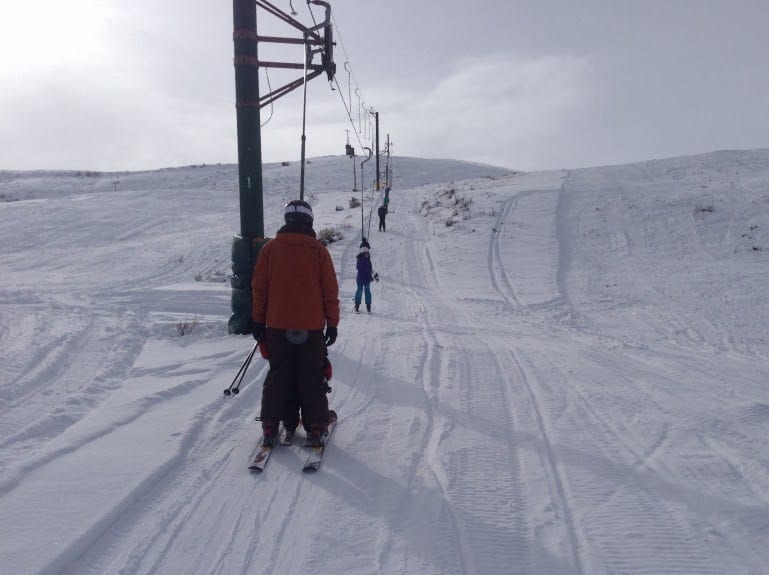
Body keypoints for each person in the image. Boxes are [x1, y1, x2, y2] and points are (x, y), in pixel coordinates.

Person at [251, 199, 340, 447]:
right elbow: (329, 291)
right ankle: (316, 426)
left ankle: (271, 423)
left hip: (276, 327)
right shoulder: (318, 251)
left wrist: (258, 321)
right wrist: (332, 323)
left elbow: (259, 289)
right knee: (311, 376)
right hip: (310, 328)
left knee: (279, 375)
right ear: (309, 221)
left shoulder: (270, 250)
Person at [354, 246, 377, 313]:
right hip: (360, 278)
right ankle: (357, 305)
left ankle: (368, 306)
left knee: (367, 291)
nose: (367, 254)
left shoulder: (368, 261)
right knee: (359, 290)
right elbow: (359, 268)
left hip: (367, 279)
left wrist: (375, 275)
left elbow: (370, 269)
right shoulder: (360, 260)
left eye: (368, 253)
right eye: (366, 253)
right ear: (363, 253)